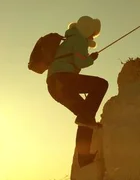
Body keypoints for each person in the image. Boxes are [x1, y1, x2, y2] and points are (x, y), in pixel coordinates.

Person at [46, 15, 108, 167]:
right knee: (101, 84)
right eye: (93, 33)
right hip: (64, 79)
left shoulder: (68, 41)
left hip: (54, 87)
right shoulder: (79, 39)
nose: (93, 36)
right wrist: (91, 58)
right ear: (88, 29)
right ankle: (84, 150)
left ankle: (84, 156)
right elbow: (80, 61)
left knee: (85, 117)